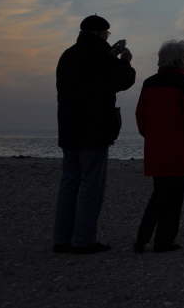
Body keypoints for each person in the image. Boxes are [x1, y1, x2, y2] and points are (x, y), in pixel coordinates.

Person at [54, 14, 135, 254]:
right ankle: (83, 240)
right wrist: (125, 61)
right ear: (102, 34)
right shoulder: (102, 56)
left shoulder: (67, 55)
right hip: (95, 128)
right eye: (106, 34)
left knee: (69, 182)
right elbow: (122, 81)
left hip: (69, 127)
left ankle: (61, 238)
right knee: (91, 185)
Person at [134, 39, 184, 253]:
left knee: (160, 193)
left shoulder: (149, 84)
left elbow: (141, 117)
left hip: (156, 148)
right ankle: (163, 240)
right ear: (180, 60)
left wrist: (151, 136)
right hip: (179, 149)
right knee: (173, 196)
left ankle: (144, 238)